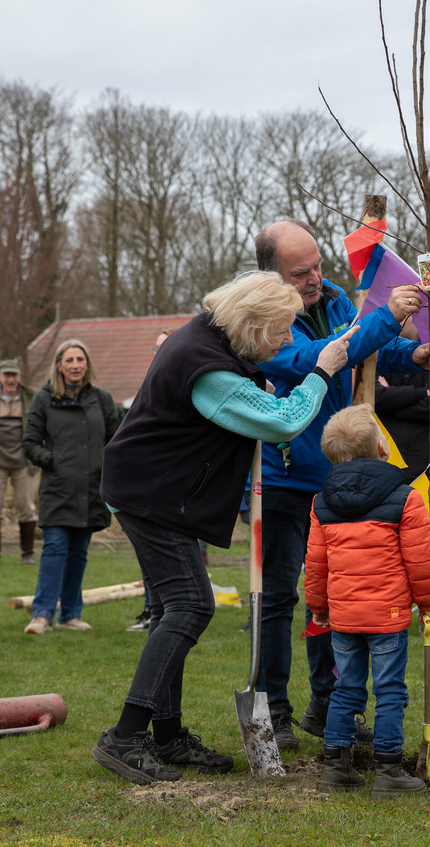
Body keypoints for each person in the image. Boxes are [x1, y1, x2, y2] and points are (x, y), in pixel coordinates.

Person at [91, 272, 355, 784]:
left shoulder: (211, 340)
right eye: (281, 331)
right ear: (253, 323)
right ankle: (125, 735)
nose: (285, 342)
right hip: (148, 493)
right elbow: (281, 421)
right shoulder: (204, 365)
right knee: (192, 605)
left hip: (154, 489)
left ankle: (166, 735)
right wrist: (320, 373)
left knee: (176, 606)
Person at [253, 218, 430, 751]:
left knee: (333, 596)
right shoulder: (262, 318)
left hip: (340, 473)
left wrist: (414, 353)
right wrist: (384, 320)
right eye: (299, 272)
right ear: (272, 276)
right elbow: (312, 359)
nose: (314, 278)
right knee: (280, 597)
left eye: (316, 265)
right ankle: (273, 711)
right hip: (287, 477)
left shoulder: (336, 300)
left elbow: (362, 353)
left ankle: (325, 706)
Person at [305, 405, 430, 796]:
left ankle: (336, 765)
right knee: (390, 690)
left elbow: (315, 563)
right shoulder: (405, 498)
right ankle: (388, 769)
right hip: (388, 615)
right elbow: (421, 557)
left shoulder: (321, 503)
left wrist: (318, 606)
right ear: (382, 448)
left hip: (344, 617)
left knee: (346, 686)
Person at [22, 339, 121, 634]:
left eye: (80, 359)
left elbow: (117, 441)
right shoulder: (43, 399)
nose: (76, 365)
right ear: (59, 366)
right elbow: (29, 443)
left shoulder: (103, 400)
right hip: (58, 490)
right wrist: (54, 461)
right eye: (69, 360)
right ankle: (41, 615)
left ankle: (70, 614)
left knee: (79, 553)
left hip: (91, 491)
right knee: (54, 549)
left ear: (87, 364)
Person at [128, 326, 184, 634]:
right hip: (145, 490)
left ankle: (159, 613)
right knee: (151, 568)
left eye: (166, 345)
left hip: (175, 493)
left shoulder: (184, 383)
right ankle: (153, 611)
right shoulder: (149, 388)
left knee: (184, 593)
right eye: (156, 348)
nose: (160, 352)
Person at [0, 358, 38, 566]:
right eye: (7, 375)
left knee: (26, 506)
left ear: (19, 378)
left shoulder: (31, 398)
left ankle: (27, 554)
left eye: (14, 375)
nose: (11, 380)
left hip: (24, 461)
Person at [374, 358, 430, 486]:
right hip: (387, 463)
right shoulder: (381, 354)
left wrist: (392, 401)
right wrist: (422, 393)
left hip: (427, 467)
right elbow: (377, 398)